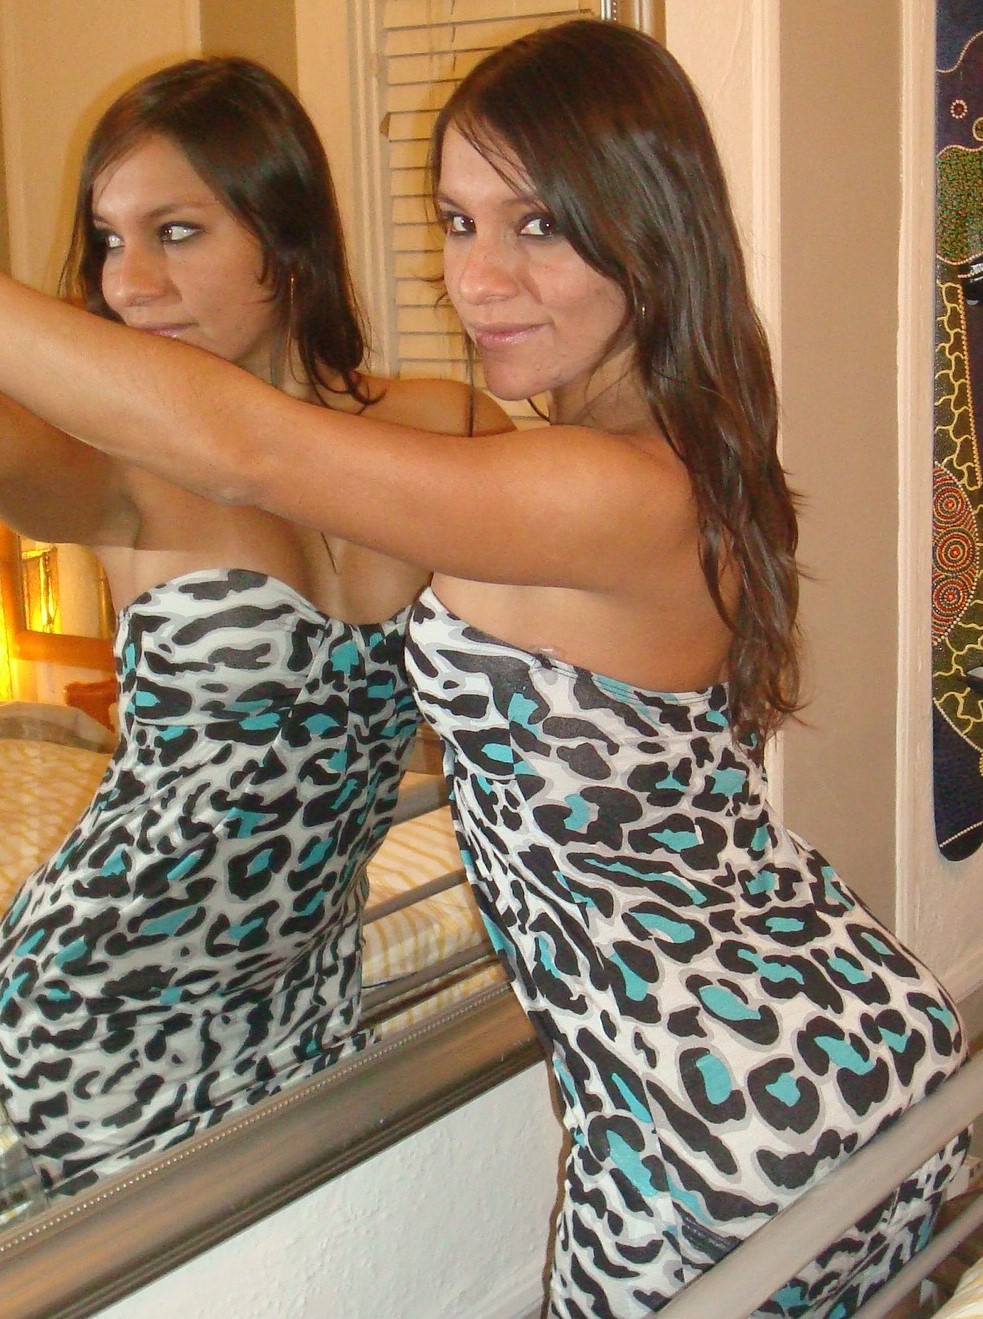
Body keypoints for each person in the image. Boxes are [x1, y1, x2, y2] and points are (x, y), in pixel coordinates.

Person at [0, 19, 965, 1315]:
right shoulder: (678, 447)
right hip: (846, 1030)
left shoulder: (581, 484)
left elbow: (251, 448)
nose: (479, 278)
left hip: (709, 1100)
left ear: (647, 228)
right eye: (457, 223)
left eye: (537, 225)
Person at [0, 56, 508, 1201]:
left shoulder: (442, 424)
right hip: (103, 1000)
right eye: (108, 242)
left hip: (309, 982)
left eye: (176, 232)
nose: (130, 282)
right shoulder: (115, 465)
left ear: (285, 238)